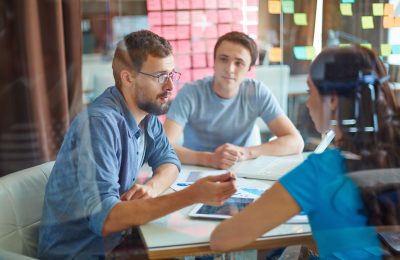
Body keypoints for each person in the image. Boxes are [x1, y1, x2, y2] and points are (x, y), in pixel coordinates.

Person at [38, 30, 237, 259]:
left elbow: (169, 160)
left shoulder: (145, 114)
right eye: (161, 76)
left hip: (117, 243)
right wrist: (192, 195)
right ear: (128, 77)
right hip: (80, 253)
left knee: (201, 249)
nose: (171, 86)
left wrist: (152, 188)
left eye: (172, 74)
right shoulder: (99, 125)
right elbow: (106, 219)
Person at [210, 46, 400, 259]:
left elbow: (222, 240)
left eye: (311, 92)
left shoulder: (321, 170)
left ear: (333, 100)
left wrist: (238, 215)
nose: (308, 103)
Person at [164, 31, 304, 170]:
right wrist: (210, 159)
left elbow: (296, 142)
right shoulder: (191, 93)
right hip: (196, 168)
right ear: (214, 62)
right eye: (223, 59)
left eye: (239, 63)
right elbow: (164, 146)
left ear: (249, 68)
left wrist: (246, 152)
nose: (230, 69)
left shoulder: (257, 92)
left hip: (241, 168)